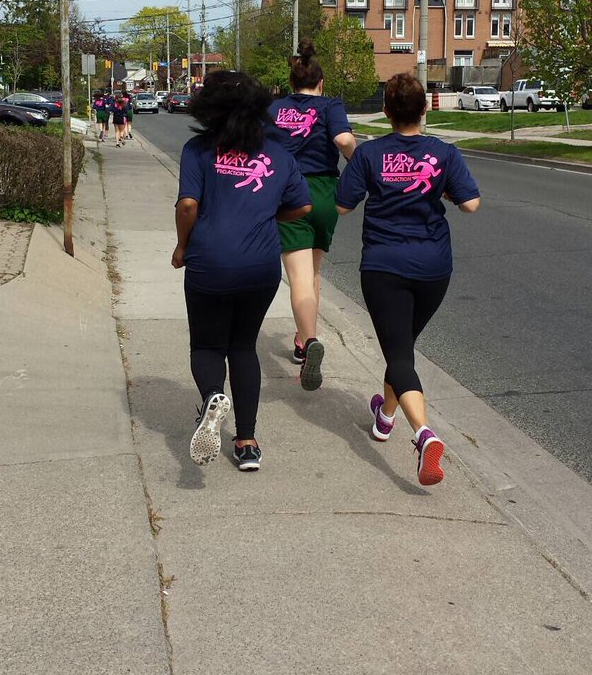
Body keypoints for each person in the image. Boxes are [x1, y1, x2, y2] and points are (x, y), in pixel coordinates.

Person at [335, 72, 480, 486]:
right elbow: (471, 203)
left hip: (385, 265)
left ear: (386, 111)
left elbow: (343, 206)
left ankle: (424, 434)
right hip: (434, 267)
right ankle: (384, 418)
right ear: (424, 110)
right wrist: (446, 192)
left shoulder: (369, 155)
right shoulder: (444, 154)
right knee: (402, 346)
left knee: (398, 352)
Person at [172, 70, 311, 472]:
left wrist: (182, 246)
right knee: (244, 347)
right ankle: (247, 442)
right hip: (260, 267)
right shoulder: (279, 153)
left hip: (209, 262)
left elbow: (187, 206)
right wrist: (267, 214)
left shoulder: (198, 149)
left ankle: (214, 397)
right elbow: (302, 206)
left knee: (207, 346)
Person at [268, 40, 355, 391]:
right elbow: (345, 140)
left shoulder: (274, 108)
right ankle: (304, 338)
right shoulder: (330, 105)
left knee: (299, 277)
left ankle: (309, 341)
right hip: (324, 192)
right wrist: (356, 164)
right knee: (314, 271)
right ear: (320, 83)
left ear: (292, 84)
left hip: (289, 192)